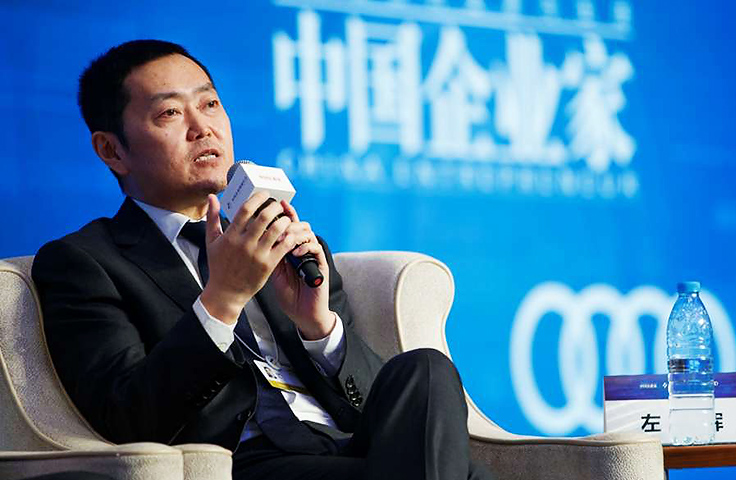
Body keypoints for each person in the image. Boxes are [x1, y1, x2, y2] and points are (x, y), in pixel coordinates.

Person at [32, 40, 492, 480]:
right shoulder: (85, 263)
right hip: (242, 463)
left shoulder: (283, 242)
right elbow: (130, 418)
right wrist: (222, 300)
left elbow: (378, 408)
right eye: (170, 112)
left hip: (350, 450)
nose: (202, 127)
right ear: (112, 150)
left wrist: (319, 329)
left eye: (210, 104)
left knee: (425, 369)